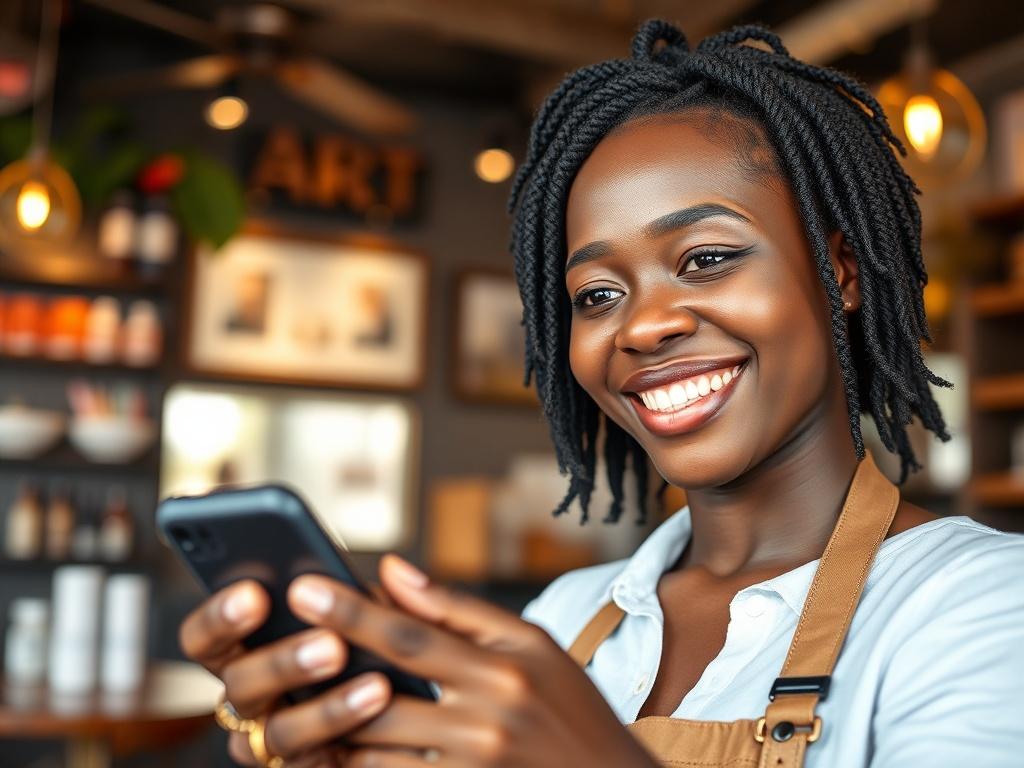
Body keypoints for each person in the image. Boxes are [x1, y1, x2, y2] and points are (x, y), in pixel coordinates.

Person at [179, 20, 1024, 768]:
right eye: (598, 295)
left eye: (706, 258)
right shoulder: (567, 620)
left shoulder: (982, 607)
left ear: (840, 272)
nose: (643, 327)